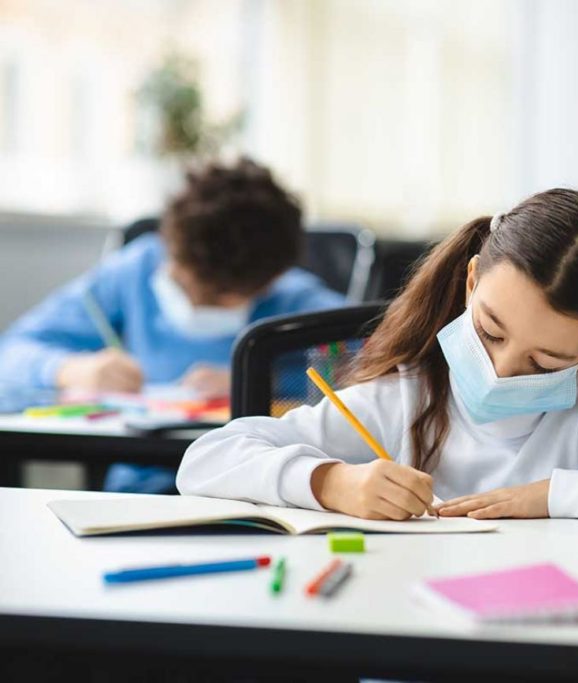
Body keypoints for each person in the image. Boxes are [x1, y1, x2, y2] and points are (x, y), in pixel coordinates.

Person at [177, 189, 578, 523]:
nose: (502, 372)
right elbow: (206, 459)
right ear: (471, 282)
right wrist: (331, 482)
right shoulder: (402, 399)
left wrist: (555, 496)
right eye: (490, 331)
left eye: (546, 361)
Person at [0, 158, 347, 492]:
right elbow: (12, 352)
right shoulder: (134, 272)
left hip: (255, 486)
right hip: (140, 488)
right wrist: (69, 369)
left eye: (219, 296)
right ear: (172, 248)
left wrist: (260, 379)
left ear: (266, 283)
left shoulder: (296, 300)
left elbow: (375, 366)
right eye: (186, 282)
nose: (196, 302)